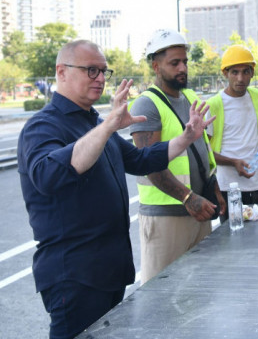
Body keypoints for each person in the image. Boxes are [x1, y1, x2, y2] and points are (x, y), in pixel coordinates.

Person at [17, 40, 213, 338]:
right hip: (75, 275)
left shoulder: (93, 122)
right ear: (62, 72)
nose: (99, 78)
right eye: (91, 70)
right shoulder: (43, 127)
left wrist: (185, 139)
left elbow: (138, 159)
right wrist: (107, 125)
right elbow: (48, 176)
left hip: (109, 270)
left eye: (103, 72)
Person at [129, 29, 225, 284]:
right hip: (166, 217)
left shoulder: (191, 98)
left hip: (198, 209)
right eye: (174, 63)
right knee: (162, 294)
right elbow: (150, 165)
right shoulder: (147, 105)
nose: (182, 67)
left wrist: (212, 187)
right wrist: (187, 197)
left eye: (185, 61)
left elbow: (203, 152)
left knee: (199, 292)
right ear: (156, 66)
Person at [206, 44, 258, 218]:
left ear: (252, 73)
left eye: (246, 71)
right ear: (225, 74)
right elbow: (204, 152)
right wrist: (233, 162)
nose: (240, 78)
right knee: (234, 242)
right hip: (228, 189)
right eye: (234, 72)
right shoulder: (213, 105)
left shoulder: (257, 97)